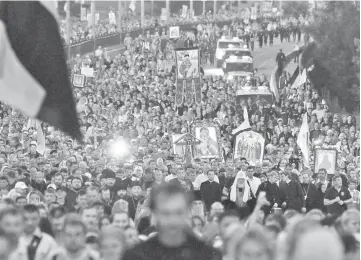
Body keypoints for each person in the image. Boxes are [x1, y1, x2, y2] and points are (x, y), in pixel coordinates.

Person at [122, 183, 222, 260]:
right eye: (166, 213)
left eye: (178, 212)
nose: (172, 220)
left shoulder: (207, 255)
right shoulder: (137, 256)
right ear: (155, 215)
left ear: (187, 212)